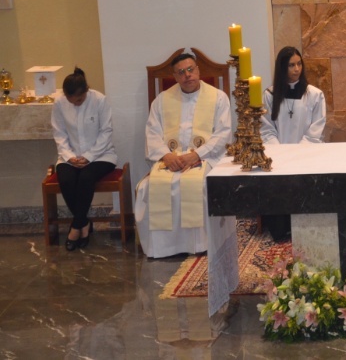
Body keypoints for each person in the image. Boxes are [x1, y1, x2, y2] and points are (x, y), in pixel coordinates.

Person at [135, 51, 232, 257]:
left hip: (205, 158)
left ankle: (199, 244)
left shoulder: (218, 97)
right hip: (170, 159)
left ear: (198, 70)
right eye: (181, 72)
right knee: (151, 186)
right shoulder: (162, 100)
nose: (187, 75)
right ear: (175, 76)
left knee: (199, 183)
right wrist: (166, 156)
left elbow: (223, 134)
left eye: (190, 70)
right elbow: (152, 133)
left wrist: (197, 154)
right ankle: (163, 248)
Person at [260, 46, 327, 240]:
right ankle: (281, 227)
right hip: (279, 156)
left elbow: (317, 128)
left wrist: (299, 152)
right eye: (291, 65)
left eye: (299, 64)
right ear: (282, 68)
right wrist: (281, 153)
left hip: (306, 155)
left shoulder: (314, 95)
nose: (296, 69)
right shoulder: (270, 95)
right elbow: (266, 128)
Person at [51, 67, 117, 251]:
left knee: (86, 178)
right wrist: (70, 157)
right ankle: (84, 223)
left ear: (86, 91)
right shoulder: (59, 103)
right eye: (71, 101)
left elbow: (106, 132)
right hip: (69, 156)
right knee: (66, 179)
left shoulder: (99, 100)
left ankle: (75, 227)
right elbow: (59, 133)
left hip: (101, 155)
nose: (76, 103)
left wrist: (88, 157)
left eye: (79, 100)